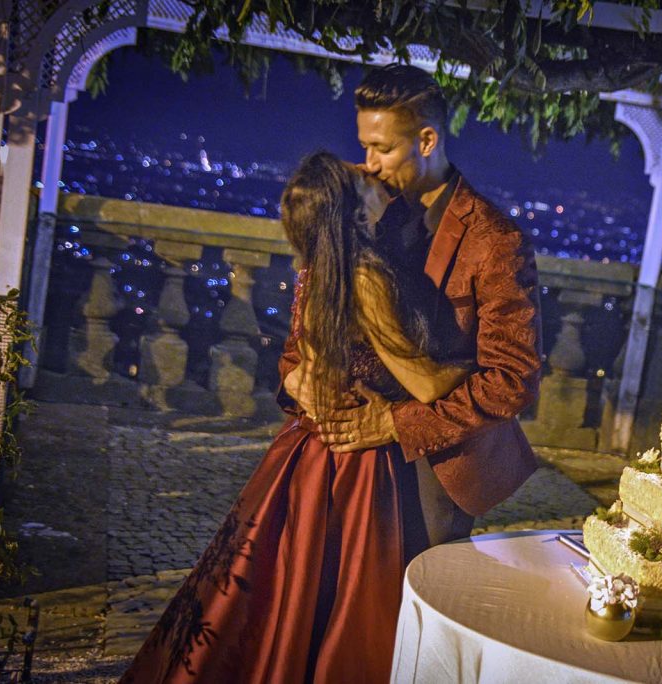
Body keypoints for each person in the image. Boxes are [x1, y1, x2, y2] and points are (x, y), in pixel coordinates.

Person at [120, 152, 470, 683]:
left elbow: (310, 361)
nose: (375, 179)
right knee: (344, 600)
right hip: (357, 465)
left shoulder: (314, 274)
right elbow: (423, 381)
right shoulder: (366, 280)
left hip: (304, 453)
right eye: (363, 181)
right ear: (350, 210)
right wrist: (468, 367)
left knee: (286, 589)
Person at [318, 64, 542, 530]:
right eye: (364, 146)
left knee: (417, 594)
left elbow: (511, 380)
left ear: (426, 141)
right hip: (346, 457)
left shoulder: (494, 239)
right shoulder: (363, 205)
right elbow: (319, 303)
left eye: (382, 148)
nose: (369, 163)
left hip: (436, 470)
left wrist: (396, 424)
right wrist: (296, 377)